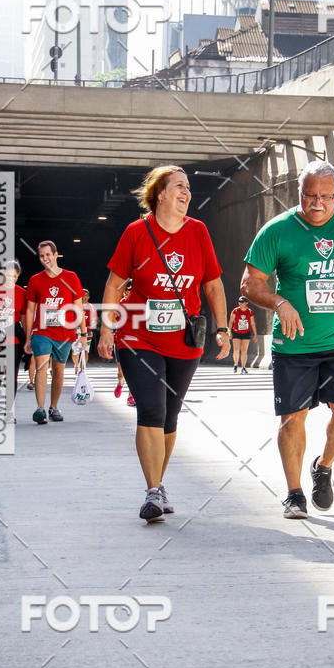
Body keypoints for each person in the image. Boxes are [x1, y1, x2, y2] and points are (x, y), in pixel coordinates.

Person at [241, 161, 334, 519]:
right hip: (295, 345)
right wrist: (279, 302)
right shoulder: (277, 231)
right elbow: (250, 283)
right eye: (310, 196)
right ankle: (294, 493)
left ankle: (323, 466)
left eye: (326, 196)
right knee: (293, 418)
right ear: (299, 192)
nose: (317, 203)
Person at [98, 165, 230, 522]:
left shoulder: (198, 231)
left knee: (170, 415)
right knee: (151, 409)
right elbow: (114, 284)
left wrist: (222, 328)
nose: (186, 192)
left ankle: (159, 483)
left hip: (183, 340)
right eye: (179, 186)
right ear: (160, 194)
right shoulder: (136, 232)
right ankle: (153, 490)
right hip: (138, 336)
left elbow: (213, 284)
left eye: (188, 187)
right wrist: (107, 329)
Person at [24, 240, 87, 424]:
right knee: (42, 366)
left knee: (58, 370)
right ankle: (40, 409)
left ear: (56, 255)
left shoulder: (71, 277)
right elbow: (30, 310)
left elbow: (78, 307)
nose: (45, 259)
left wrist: (83, 334)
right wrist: (28, 337)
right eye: (41, 256)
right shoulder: (35, 280)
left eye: (48, 255)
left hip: (64, 334)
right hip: (41, 332)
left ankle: (53, 407)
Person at [0, 260, 27, 415]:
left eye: (14, 276)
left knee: (12, 375)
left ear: (17, 276)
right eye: (8, 275)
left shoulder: (21, 293)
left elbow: (23, 319)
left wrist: (27, 339)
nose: (10, 279)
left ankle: (9, 410)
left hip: (14, 339)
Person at [112, 282, 135, 407]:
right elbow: (111, 319)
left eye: (133, 290)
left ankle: (131, 396)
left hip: (135, 341)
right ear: (125, 292)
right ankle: (120, 383)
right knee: (121, 372)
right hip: (120, 340)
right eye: (128, 290)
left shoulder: (140, 304)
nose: (130, 292)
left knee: (134, 370)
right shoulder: (119, 304)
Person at [228, 295, 258, 373]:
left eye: (242, 302)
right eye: (239, 302)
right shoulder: (235, 311)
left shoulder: (250, 311)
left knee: (244, 351)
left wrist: (255, 334)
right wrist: (229, 332)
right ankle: (236, 364)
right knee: (236, 349)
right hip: (236, 332)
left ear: (246, 303)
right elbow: (231, 322)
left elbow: (252, 323)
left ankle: (243, 367)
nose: (240, 303)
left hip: (246, 333)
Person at [72, 288, 98, 373]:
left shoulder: (91, 307)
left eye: (86, 295)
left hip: (87, 332)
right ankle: (76, 365)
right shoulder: (74, 306)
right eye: (82, 295)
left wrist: (91, 325)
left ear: (89, 297)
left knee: (86, 351)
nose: (84, 297)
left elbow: (95, 320)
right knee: (76, 352)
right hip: (76, 332)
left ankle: (83, 368)